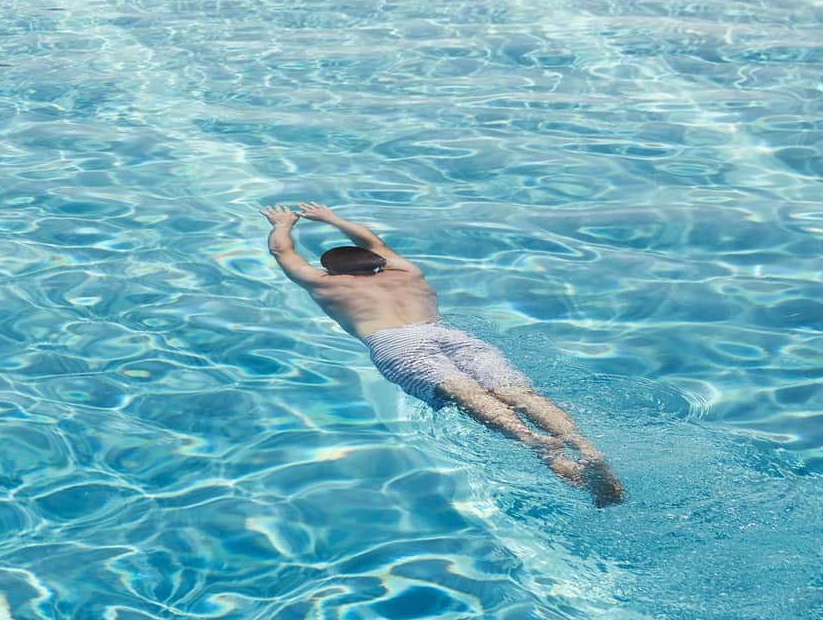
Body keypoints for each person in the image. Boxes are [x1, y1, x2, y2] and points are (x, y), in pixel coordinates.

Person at [260, 202, 625, 507]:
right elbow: (371, 240)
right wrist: (334, 220)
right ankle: (582, 445)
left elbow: (282, 250)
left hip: (395, 343)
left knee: (464, 394)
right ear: (377, 262)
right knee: (517, 393)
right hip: (447, 333)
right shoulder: (406, 272)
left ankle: (536, 444)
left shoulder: (325, 283)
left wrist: (283, 223)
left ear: (330, 269)